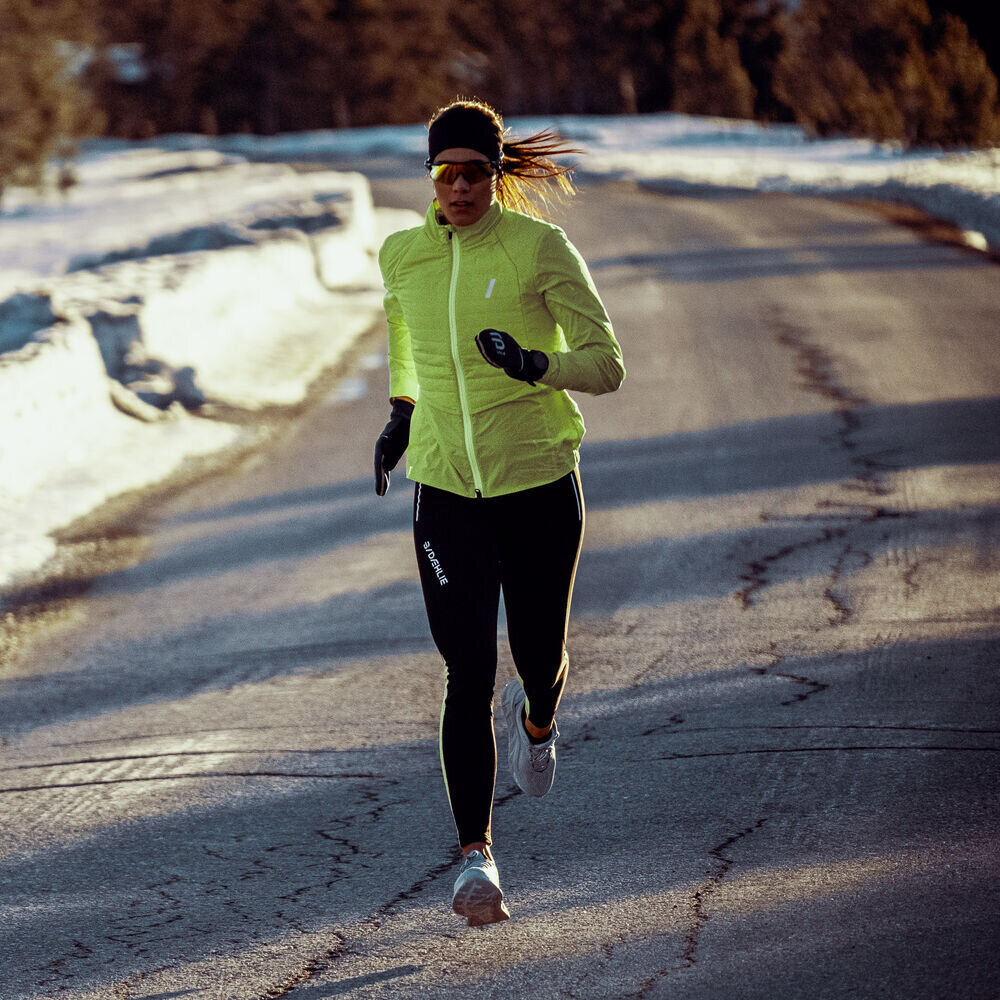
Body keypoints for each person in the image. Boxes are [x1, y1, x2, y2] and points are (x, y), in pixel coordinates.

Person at [374, 98, 624, 927]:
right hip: (446, 493)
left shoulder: (538, 248)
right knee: (466, 672)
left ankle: (541, 717)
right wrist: (401, 414)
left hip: (540, 485)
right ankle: (475, 858)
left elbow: (606, 363)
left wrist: (535, 365)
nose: (459, 187)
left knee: (539, 656)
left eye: (475, 172)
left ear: (497, 174)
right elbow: (405, 339)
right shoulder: (403, 253)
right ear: (431, 176)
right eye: (444, 172)